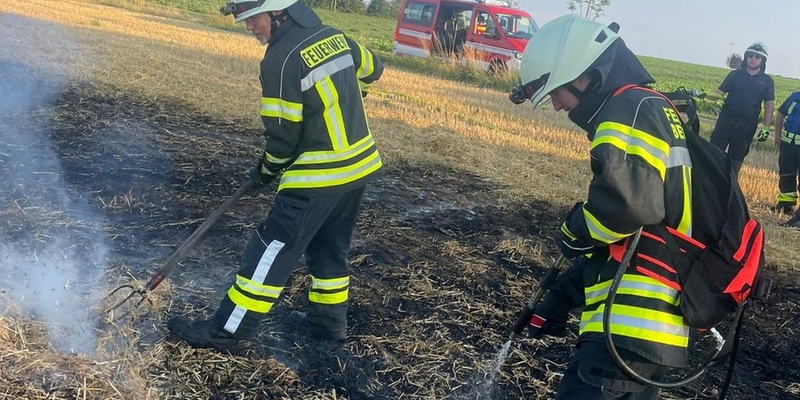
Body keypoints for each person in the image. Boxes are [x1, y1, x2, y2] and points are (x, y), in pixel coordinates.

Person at [167, 0, 384, 350]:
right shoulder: (334, 36)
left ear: (279, 12)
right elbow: (374, 67)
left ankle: (228, 331)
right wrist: (352, 90)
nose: (249, 27)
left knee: (270, 249)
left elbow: (283, 140)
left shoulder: (280, 60)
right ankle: (327, 324)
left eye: (254, 19)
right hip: (358, 167)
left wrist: (265, 171)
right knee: (329, 248)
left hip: (317, 177)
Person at [509, 14, 696, 399]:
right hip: (649, 323)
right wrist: (559, 299)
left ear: (582, 76)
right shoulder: (650, 107)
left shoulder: (626, 110)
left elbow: (625, 209)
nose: (557, 106)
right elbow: (635, 232)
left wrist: (572, 230)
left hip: (627, 320)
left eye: (556, 93)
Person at [706, 42, 775, 175]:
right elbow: (719, 93)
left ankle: (730, 185)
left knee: (736, 161)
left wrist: (766, 128)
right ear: (746, 57)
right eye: (750, 55)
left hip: (746, 127)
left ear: (763, 60)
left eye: (757, 57)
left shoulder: (767, 81)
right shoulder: (735, 75)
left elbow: (769, 104)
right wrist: (702, 94)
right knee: (713, 155)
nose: (753, 58)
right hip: (725, 123)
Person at [772, 90, 800, 216]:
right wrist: (777, 135)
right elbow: (780, 114)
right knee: (786, 174)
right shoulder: (795, 97)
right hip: (788, 144)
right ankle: (785, 205)